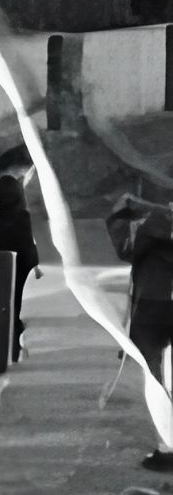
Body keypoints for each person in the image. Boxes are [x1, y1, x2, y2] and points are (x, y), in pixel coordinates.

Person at [107, 192, 173, 471]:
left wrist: (120, 214)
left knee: (155, 376)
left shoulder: (155, 223)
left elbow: (127, 248)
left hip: (153, 304)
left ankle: (167, 447)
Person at [0, 144, 41, 359]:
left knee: (10, 300)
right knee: (13, 301)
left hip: (5, 252)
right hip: (15, 253)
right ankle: (12, 346)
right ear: (17, 167)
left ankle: (12, 346)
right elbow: (21, 225)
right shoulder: (11, 189)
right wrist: (33, 257)